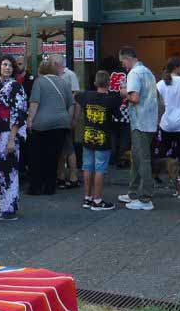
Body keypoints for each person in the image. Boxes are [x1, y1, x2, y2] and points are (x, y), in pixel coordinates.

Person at [117, 47, 158, 210]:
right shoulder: (147, 71)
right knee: (137, 158)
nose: (123, 66)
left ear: (127, 59)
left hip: (140, 122)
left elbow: (134, 97)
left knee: (142, 159)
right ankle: (133, 193)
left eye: (122, 62)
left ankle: (145, 198)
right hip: (149, 120)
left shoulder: (134, 73)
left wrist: (123, 92)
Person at [75, 70, 120, 210]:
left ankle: (87, 198)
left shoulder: (86, 96)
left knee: (87, 167)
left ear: (95, 83)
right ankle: (98, 200)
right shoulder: (112, 99)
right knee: (100, 168)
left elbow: (76, 96)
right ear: (109, 83)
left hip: (88, 136)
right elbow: (117, 114)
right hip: (102, 139)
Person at [0, 55, 28, 220]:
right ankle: (1, 205)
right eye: (4, 65)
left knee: (9, 170)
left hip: (8, 131)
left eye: (10, 66)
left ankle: (9, 209)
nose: (7, 68)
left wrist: (13, 138)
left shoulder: (15, 87)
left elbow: (19, 114)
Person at [27, 60, 72, 196]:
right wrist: (68, 121)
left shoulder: (39, 82)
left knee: (37, 156)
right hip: (61, 123)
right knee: (54, 156)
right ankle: (50, 187)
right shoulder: (63, 82)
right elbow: (71, 104)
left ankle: (36, 187)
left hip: (42, 124)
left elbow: (34, 103)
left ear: (41, 70)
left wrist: (30, 120)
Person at [50, 54, 80, 189]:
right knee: (62, 147)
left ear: (57, 63)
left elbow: (75, 98)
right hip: (57, 117)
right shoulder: (54, 76)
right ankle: (61, 175)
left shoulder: (69, 75)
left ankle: (73, 176)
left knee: (68, 147)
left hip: (65, 117)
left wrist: (74, 118)